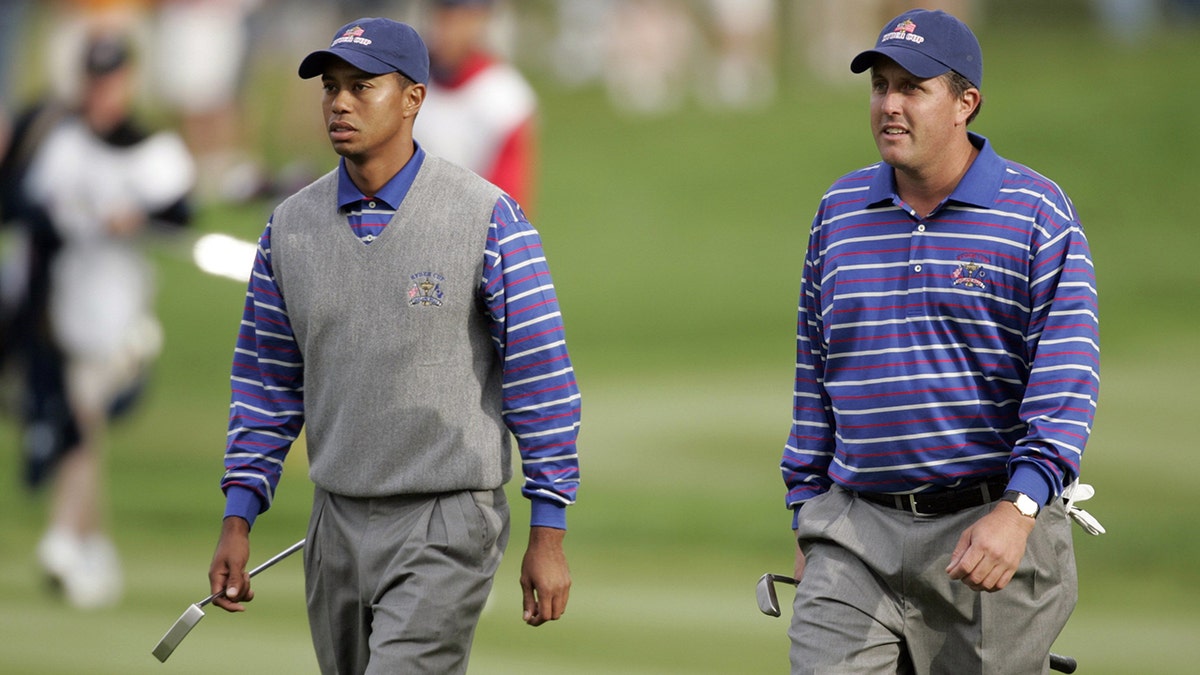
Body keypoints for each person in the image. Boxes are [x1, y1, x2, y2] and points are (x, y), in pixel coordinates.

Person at [206, 17, 581, 674]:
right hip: (335, 523)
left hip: (448, 518)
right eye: (331, 87)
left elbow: (541, 379)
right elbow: (265, 386)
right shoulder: (289, 229)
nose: (340, 103)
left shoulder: (488, 217)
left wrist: (548, 528)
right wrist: (238, 515)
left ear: (413, 97)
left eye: (361, 85)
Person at [778, 9, 1098, 674]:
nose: (889, 105)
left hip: (990, 528)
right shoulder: (838, 213)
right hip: (855, 534)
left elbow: (1065, 380)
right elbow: (815, 372)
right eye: (880, 86)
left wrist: (1021, 506)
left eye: (912, 88)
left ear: (965, 104)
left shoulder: (1036, 214)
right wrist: (808, 510)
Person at [13, 29, 194, 609]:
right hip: (65, 318)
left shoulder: (152, 151)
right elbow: (26, 210)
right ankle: (93, 553)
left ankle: (65, 535)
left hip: (124, 323)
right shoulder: (59, 142)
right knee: (77, 430)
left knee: (83, 412)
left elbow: (178, 212)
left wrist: (135, 215)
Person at [414, 0, 538, 209]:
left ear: (482, 21)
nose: (448, 31)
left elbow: (506, 206)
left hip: (467, 230)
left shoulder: (507, 100)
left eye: (461, 20)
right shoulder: (404, 81)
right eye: (443, 17)